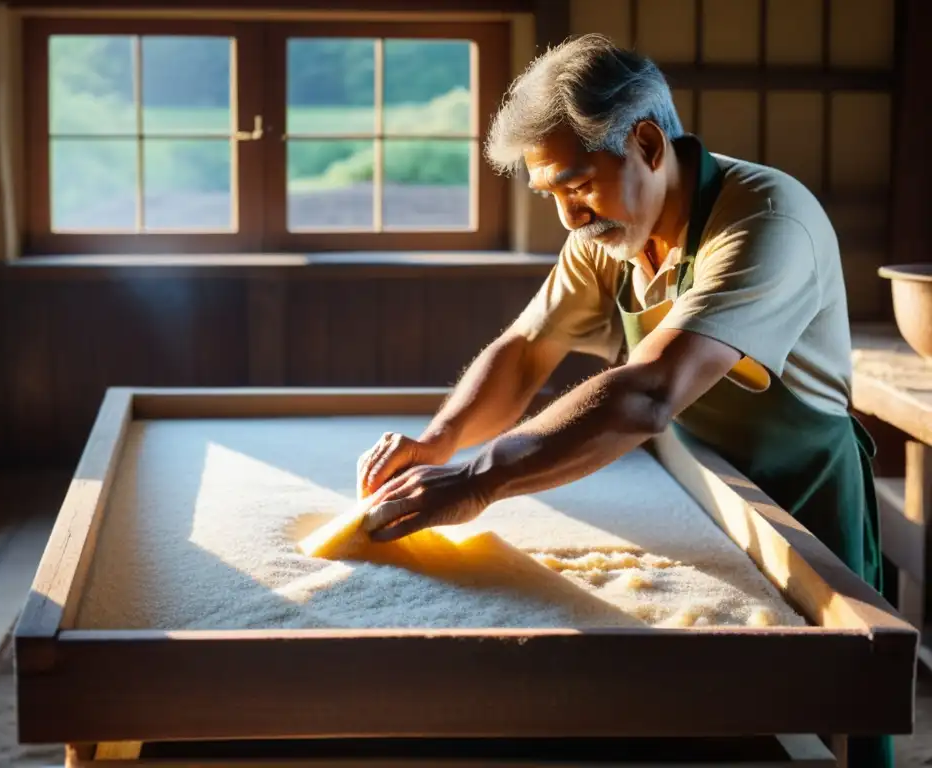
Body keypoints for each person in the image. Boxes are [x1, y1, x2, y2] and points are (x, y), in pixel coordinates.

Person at [354, 34, 888, 767]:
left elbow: (647, 393)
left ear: (645, 142)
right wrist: (440, 441)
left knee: (824, 706)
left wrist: (480, 481)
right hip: (692, 484)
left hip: (797, 498)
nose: (570, 218)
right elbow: (523, 352)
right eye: (554, 197)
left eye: (578, 186)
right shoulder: (607, 240)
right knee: (716, 718)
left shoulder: (764, 218)